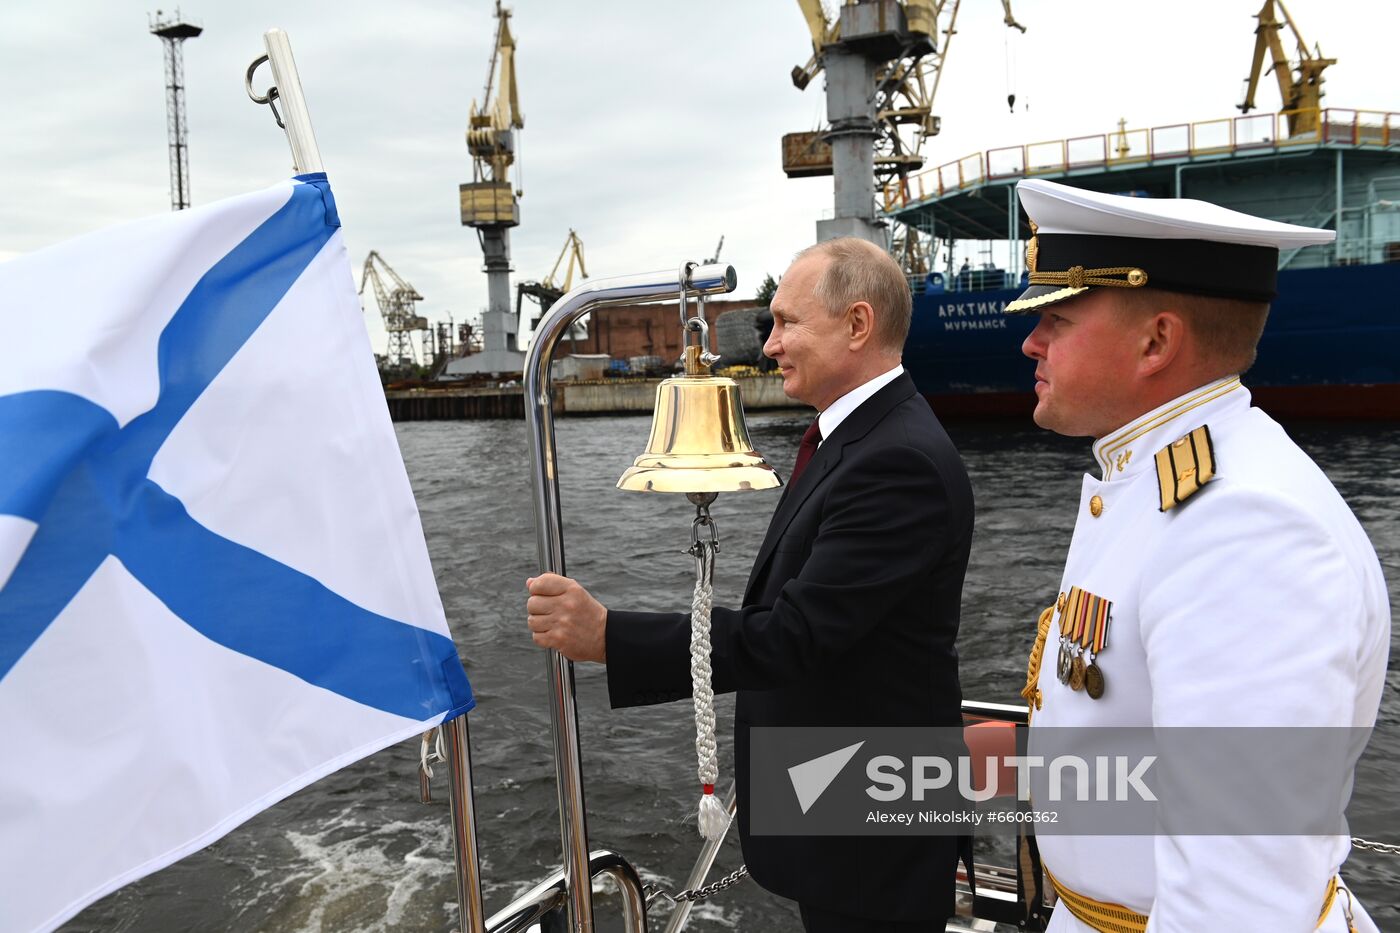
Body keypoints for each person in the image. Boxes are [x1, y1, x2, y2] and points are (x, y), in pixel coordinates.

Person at [526, 237, 975, 930]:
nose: (770, 345)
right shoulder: (858, 441)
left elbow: (794, 635)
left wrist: (611, 637)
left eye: (788, 322)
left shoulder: (896, 462)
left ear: (858, 325)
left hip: (870, 834)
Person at [1010, 178, 1389, 932]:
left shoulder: (1245, 527)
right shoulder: (1161, 482)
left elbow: (1236, 904)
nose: (1030, 342)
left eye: (1056, 317)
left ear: (1157, 341)